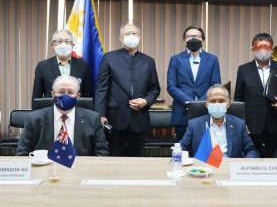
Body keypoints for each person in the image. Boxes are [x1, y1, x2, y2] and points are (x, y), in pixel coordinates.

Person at [94, 20, 160, 157]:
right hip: (114, 118)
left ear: (140, 37)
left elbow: (154, 89)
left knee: (136, 159)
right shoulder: (109, 58)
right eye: (127, 33)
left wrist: (146, 101)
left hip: (139, 119)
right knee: (114, 158)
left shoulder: (148, 61)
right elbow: (101, 88)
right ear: (121, 38)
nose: (131, 35)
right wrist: (100, 114)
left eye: (134, 33)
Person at [234, 33, 277, 158]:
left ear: (272, 50)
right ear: (253, 50)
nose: (262, 51)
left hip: (276, 124)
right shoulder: (243, 69)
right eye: (258, 48)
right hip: (252, 125)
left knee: (275, 159)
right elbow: (238, 99)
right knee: (251, 158)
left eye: (266, 48)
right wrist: (242, 122)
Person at [17, 76, 108, 156]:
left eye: (70, 92)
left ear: (77, 96)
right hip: (45, 171)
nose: (65, 96)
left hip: (80, 171)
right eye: (61, 92)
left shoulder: (92, 119)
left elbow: (102, 152)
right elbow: (22, 153)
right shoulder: (33, 119)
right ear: (53, 95)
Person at [167, 26, 221, 141]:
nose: (193, 39)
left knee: (204, 149)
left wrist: (200, 103)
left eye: (196, 36)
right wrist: (190, 103)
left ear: (203, 39)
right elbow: (171, 86)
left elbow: (215, 84)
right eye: (189, 36)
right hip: (182, 112)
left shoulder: (212, 59)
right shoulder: (175, 59)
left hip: (205, 111)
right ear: (184, 40)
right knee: (183, 150)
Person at [180, 85, 259, 158]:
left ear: (228, 104)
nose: (217, 104)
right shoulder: (194, 124)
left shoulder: (239, 124)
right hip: (204, 168)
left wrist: (241, 167)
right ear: (207, 104)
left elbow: (251, 150)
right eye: (213, 101)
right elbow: (181, 149)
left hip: (229, 168)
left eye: (221, 101)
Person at [32, 29, 92, 105]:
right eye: (59, 41)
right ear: (53, 45)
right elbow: (36, 97)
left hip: (76, 112)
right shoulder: (42, 67)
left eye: (67, 41)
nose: (63, 45)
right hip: (50, 113)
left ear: (72, 45)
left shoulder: (83, 66)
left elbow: (87, 96)